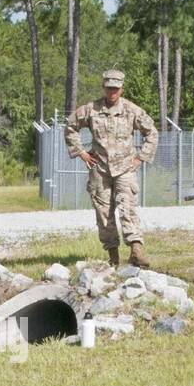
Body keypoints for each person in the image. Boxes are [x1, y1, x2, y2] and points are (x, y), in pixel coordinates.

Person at [64, 69, 158, 268]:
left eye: (116, 88)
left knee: (128, 207)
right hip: (100, 169)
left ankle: (136, 249)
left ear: (122, 89)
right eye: (109, 88)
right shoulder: (91, 109)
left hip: (125, 168)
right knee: (104, 212)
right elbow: (71, 126)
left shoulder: (132, 110)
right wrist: (80, 152)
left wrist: (141, 158)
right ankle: (113, 256)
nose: (112, 92)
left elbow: (152, 132)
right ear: (104, 88)